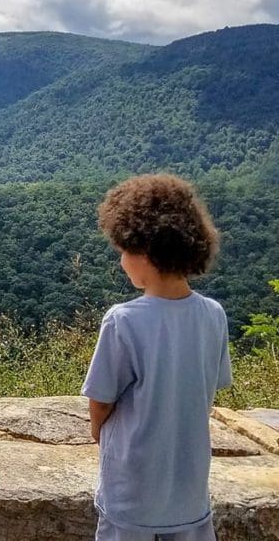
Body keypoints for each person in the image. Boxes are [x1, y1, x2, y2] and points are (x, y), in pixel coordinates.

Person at [83, 173, 231, 541]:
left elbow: (100, 403)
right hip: (189, 490)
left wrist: (102, 436)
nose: (121, 262)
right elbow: (210, 388)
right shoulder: (213, 314)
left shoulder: (123, 320)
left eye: (124, 251)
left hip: (132, 491)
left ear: (145, 252)